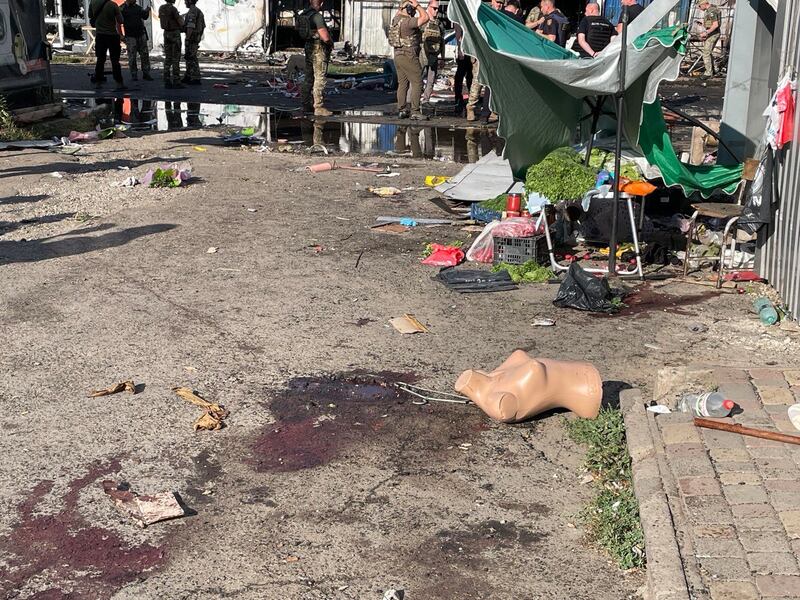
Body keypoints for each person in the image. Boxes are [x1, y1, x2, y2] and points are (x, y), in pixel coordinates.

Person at [389, 0, 428, 119]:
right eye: (413, 10)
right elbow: (425, 17)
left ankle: (402, 109)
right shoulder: (408, 22)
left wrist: (403, 6)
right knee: (417, 82)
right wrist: (418, 5)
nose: (414, 11)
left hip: (398, 55)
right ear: (410, 10)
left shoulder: (396, 20)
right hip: (409, 55)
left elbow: (399, 12)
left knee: (403, 83)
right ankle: (415, 111)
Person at [298, 0, 334, 116]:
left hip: (309, 47)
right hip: (319, 49)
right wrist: (330, 43)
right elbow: (325, 37)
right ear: (322, 3)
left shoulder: (304, 14)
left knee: (308, 77)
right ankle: (318, 107)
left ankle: (305, 104)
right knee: (319, 77)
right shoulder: (317, 16)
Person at [89, 0, 125, 90]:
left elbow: (90, 16)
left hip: (100, 36)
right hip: (112, 36)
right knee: (115, 61)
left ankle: (98, 82)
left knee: (100, 60)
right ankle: (119, 83)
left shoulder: (93, 3)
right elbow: (121, 21)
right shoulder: (113, 5)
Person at [121, 0, 152, 81]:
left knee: (144, 54)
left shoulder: (138, 8)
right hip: (130, 36)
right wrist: (121, 35)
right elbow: (118, 21)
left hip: (140, 34)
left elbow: (144, 16)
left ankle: (146, 73)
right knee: (132, 56)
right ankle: (134, 74)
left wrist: (147, 10)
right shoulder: (122, 8)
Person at [420, 0, 444, 105]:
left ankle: (426, 100)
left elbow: (442, 41)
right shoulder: (422, 21)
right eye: (434, 8)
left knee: (431, 80)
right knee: (417, 79)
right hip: (422, 54)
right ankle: (411, 102)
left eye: (437, 8)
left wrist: (442, 58)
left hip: (434, 55)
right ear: (428, 7)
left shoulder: (439, 24)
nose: (436, 11)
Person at [158, 0, 184, 89]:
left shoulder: (161, 8)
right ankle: (176, 80)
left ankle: (167, 80)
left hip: (166, 33)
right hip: (175, 33)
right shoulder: (173, 9)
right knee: (176, 58)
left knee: (168, 57)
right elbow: (180, 21)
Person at [182, 0, 205, 85]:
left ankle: (195, 77)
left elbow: (190, 26)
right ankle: (188, 75)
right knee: (189, 57)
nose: (185, 2)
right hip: (194, 37)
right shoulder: (196, 11)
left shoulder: (193, 11)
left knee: (191, 57)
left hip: (192, 38)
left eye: (186, 1)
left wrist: (188, 38)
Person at [453, 23, 473, 115]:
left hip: (466, 53)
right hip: (466, 53)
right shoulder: (460, 22)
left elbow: (458, 36)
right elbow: (459, 37)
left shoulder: (460, 21)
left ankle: (461, 99)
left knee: (465, 77)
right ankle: (461, 99)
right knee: (465, 77)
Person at [698, 0, 720, 78]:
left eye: (699, 6)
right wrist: (703, 24)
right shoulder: (708, 11)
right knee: (709, 52)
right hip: (711, 34)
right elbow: (709, 24)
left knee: (706, 53)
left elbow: (715, 25)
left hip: (713, 34)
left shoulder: (712, 11)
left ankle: (708, 73)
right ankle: (714, 69)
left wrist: (706, 33)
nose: (699, 8)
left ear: (704, 4)